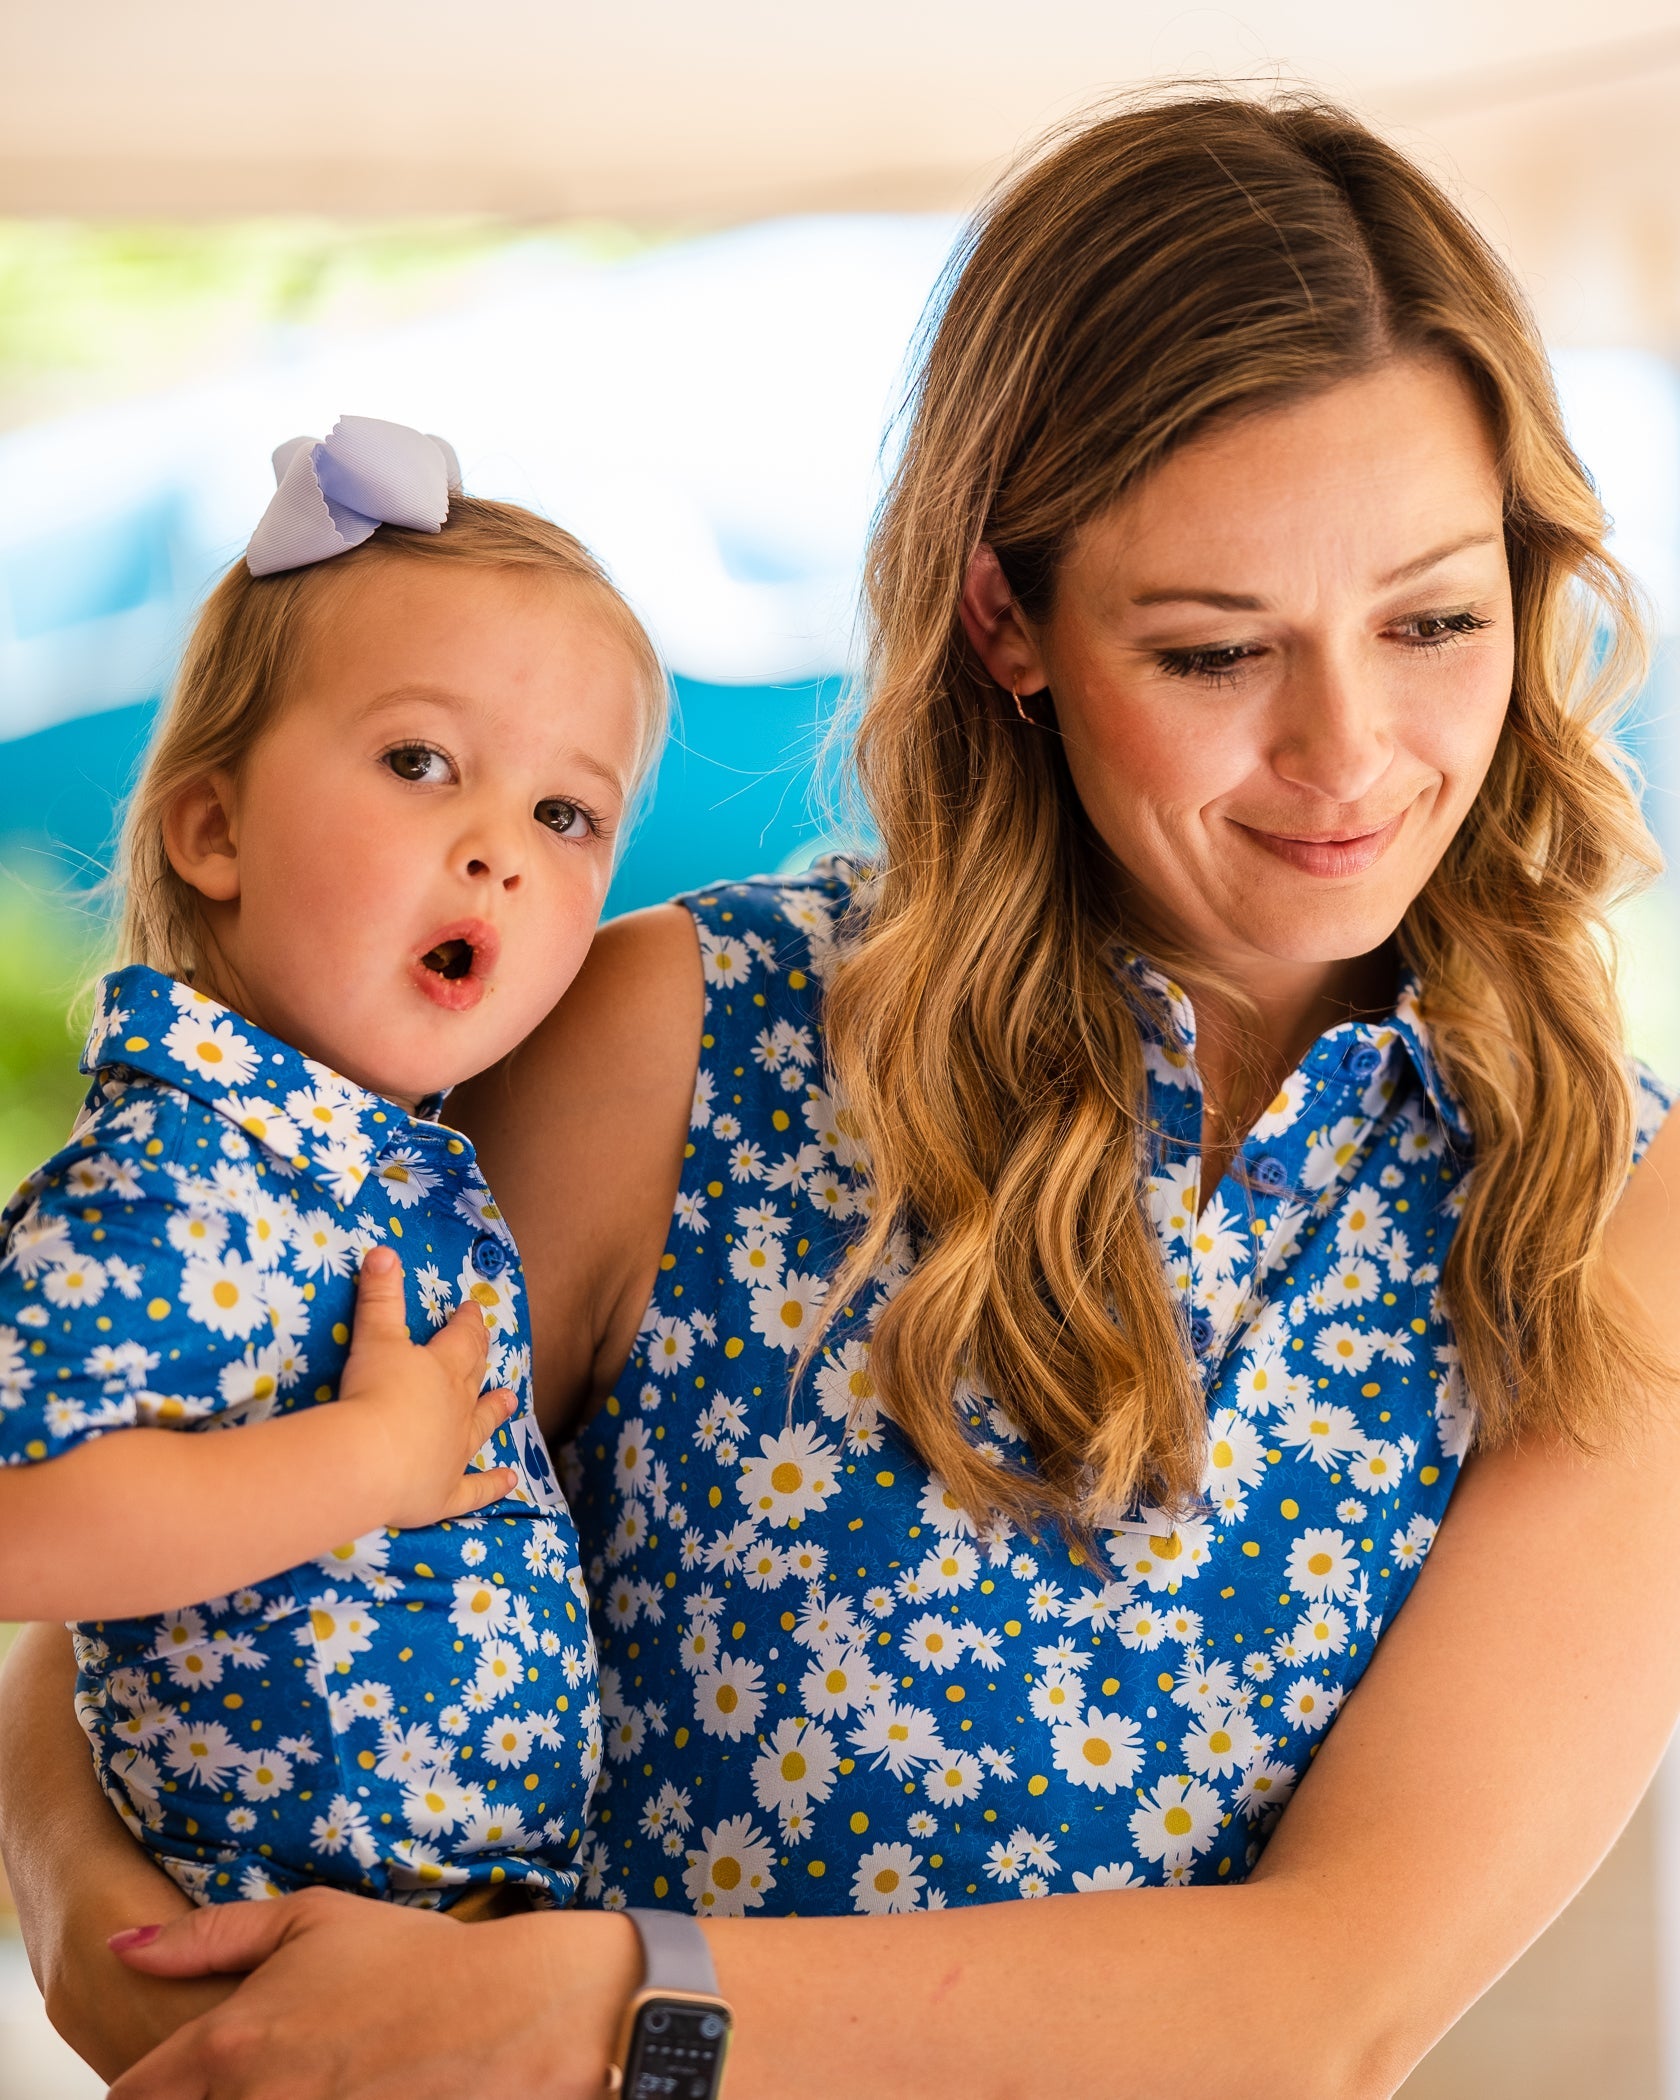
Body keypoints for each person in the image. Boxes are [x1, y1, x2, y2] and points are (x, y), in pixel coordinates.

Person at [3, 91, 1679, 2100]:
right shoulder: (676, 1037)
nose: (1350, 753)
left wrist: (605, 2015)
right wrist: (136, 1956)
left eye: (1434, 622)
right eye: (1218, 648)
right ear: (1006, 625)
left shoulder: (1611, 1212)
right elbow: (146, 1608)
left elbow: (1333, 1997)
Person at [0, 420, 665, 1914]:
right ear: (215, 828)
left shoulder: (373, 1166)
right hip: (288, 1960)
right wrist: (364, 1464)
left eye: (567, 814)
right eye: (422, 762)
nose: (501, 848)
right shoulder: (189, 1174)